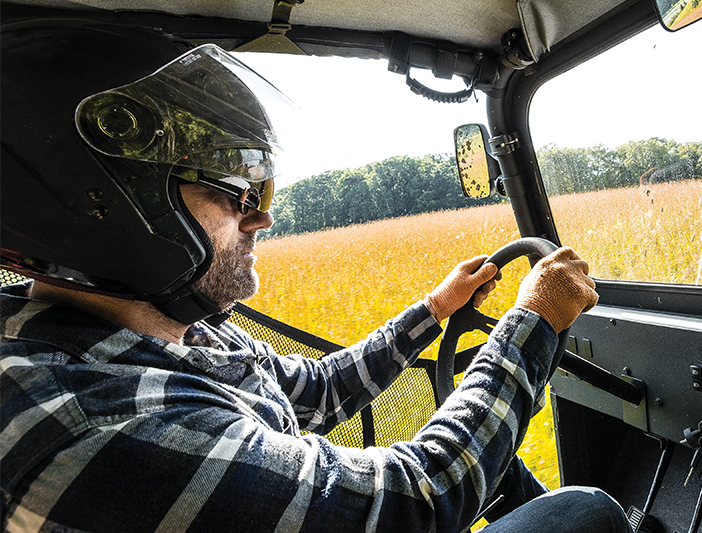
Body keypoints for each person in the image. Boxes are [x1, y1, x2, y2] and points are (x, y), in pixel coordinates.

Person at [0, 18, 629, 533]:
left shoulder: (183, 330)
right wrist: (533, 320)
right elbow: (419, 500)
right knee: (587, 515)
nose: (262, 216)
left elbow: (319, 391)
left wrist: (436, 308)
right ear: (101, 209)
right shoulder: (87, 427)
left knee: (508, 476)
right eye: (236, 191)